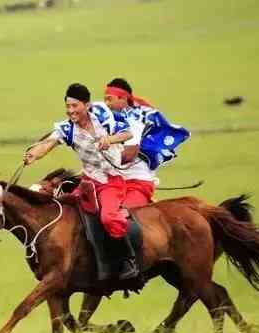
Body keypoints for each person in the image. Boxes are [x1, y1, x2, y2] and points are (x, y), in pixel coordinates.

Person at [23, 83, 138, 280]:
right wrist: (34, 154)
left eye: (75, 106)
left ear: (87, 105)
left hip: (111, 180)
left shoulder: (104, 116)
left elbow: (128, 133)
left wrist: (109, 140)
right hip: (89, 180)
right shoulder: (66, 129)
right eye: (68, 107)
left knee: (109, 218)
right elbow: (48, 144)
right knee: (66, 213)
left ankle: (129, 260)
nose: (70, 111)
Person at [103, 78, 190, 208]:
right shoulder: (110, 120)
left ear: (123, 99)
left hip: (136, 180)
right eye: (105, 100)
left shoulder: (134, 120)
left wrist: (98, 162)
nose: (106, 104)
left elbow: (128, 156)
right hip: (114, 181)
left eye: (110, 99)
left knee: (121, 214)